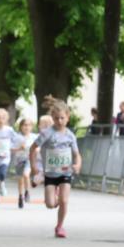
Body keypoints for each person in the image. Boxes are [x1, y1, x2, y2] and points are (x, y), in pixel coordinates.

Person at [29, 97, 82, 238]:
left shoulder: (70, 136)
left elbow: (77, 155)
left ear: (68, 118)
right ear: (52, 118)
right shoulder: (47, 133)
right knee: (50, 204)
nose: (59, 121)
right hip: (50, 174)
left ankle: (59, 226)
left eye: (62, 118)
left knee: (64, 201)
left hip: (65, 173)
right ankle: (54, 194)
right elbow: (32, 148)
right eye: (57, 118)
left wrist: (77, 165)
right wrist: (34, 167)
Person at [11, 117, 38, 208]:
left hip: (29, 159)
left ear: (32, 127)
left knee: (26, 175)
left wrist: (36, 150)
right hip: (19, 160)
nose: (27, 127)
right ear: (21, 126)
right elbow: (11, 149)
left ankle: (27, 192)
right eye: (25, 125)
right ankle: (20, 196)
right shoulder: (17, 137)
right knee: (20, 179)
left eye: (29, 125)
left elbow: (39, 147)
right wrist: (19, 148)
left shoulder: (34, 137)